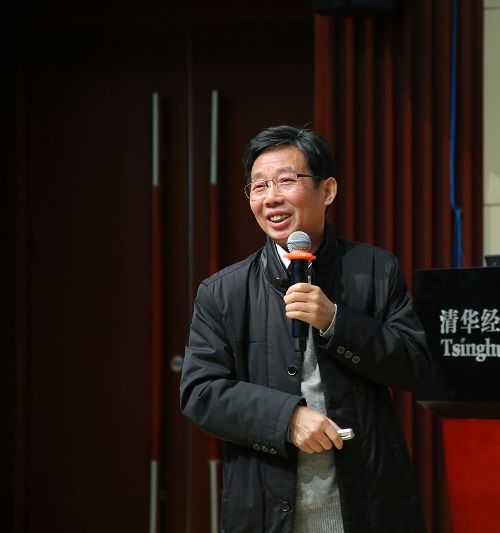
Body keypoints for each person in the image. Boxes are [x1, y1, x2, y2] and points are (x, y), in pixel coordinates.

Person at [180, 125, 431, 532]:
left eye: (286, 181)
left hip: (367, 504)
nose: (271, 198)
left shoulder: (374, 269)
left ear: (327, 190)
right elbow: (200, 392)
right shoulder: (223, 291)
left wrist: (336, 322)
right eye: (259, 186)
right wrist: (287, 418)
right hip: (266, 509)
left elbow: (415, 365)